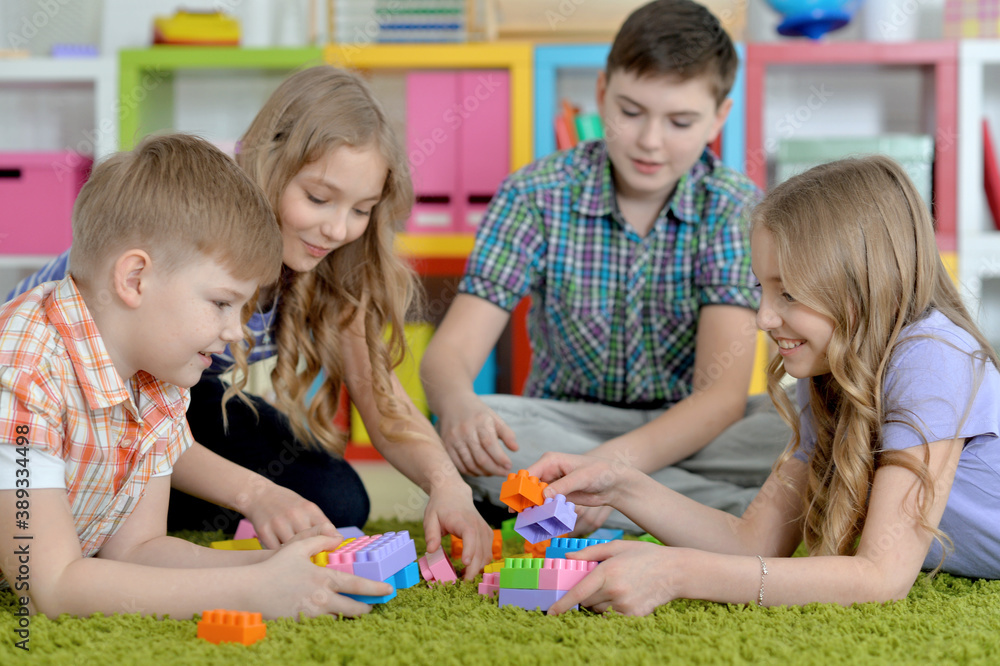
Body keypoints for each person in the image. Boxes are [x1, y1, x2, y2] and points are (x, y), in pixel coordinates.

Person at [9, 66, 493, 577]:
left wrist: (448, 484)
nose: (336, 228)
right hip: (86, 386)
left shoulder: (332, 264)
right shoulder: (204, 227)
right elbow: (134, 400)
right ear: (270, 163)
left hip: (177, 390)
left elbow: (382, 398)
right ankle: (103, 505)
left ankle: (135, 507)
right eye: (318, 198)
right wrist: (253, 494)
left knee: (334, 499)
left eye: (362, 209)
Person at [527, 154, 1000, 615]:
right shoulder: (829, 365)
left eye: (789, 292)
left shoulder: (932, 356)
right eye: (761, 288)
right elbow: (751, 541)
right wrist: (621, 487)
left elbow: (881, 576)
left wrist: (678, 573)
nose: (763, 318)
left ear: (866, 285)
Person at [420, 0, 789, 534]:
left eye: (680, 121)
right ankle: (727, 511)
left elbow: (719, 399)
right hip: (564, 424)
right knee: (469, 439)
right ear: (600, 93)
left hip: (696, 429)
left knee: (809, 425)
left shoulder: (733, 207)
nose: (649, 141)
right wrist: (458, 408)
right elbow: (448, 355)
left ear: (719, 117)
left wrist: (608, 468)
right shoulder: (536, 192)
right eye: (631, 111)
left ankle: (600, 500)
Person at [0, 134, 393, 618]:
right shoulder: (22, 372)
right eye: (222, 303)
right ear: (134, 279)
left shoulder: (158, 371)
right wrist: (251, 593)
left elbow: (138, 550)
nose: (234, 331)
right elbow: (53, 588)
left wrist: (271, 567)